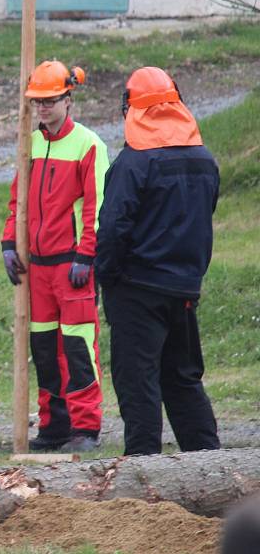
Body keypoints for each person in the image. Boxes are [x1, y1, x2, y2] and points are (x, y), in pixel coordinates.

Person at [96, 66, 221, 456]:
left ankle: (142, 469)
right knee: (183, 379)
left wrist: (108, 276)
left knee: (138, 382)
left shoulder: (134, 163)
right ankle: (209, 466)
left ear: (131, 109)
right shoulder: (204, 159)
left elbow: (113, 226)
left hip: (137, 288)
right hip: (184, 286)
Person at [1, 60, 109, 453]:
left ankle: (86, 428)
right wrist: (9, 243)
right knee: (45, 350)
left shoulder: (88, 145)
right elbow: (18, 203)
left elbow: (97, 207)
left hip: (72, 265)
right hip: (37, 269)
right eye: (38, 102)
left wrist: (87, 254)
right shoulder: (28, 145)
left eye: (49, 101)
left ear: (68, 97)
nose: (43, 108)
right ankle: (55, 426)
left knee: (78, 348)